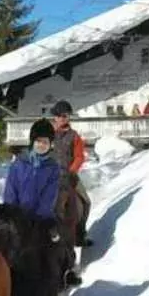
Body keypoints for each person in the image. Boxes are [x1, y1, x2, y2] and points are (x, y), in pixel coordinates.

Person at [3, 118, 82, 288]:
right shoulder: (18, 164)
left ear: (50, 144)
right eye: (38, 141)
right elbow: (10, 191)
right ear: (32, 142)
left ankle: (65, 271)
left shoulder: (52, 167)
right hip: (15, 216)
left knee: (58, 239)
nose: (41, 145)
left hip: (41, 218)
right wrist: (13, 215)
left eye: (45, 142)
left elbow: (49, 197)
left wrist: (37, 219)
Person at [50, 100, 93, 248]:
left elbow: (80, 156)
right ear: (55, 117)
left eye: (66, 116)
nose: (63, 118)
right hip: (50, 176)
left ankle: (80, 235)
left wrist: (71, 171)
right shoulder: (47, 135)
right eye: (60, 115)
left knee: (86, 202)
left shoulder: (74, 136)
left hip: (69, 174)